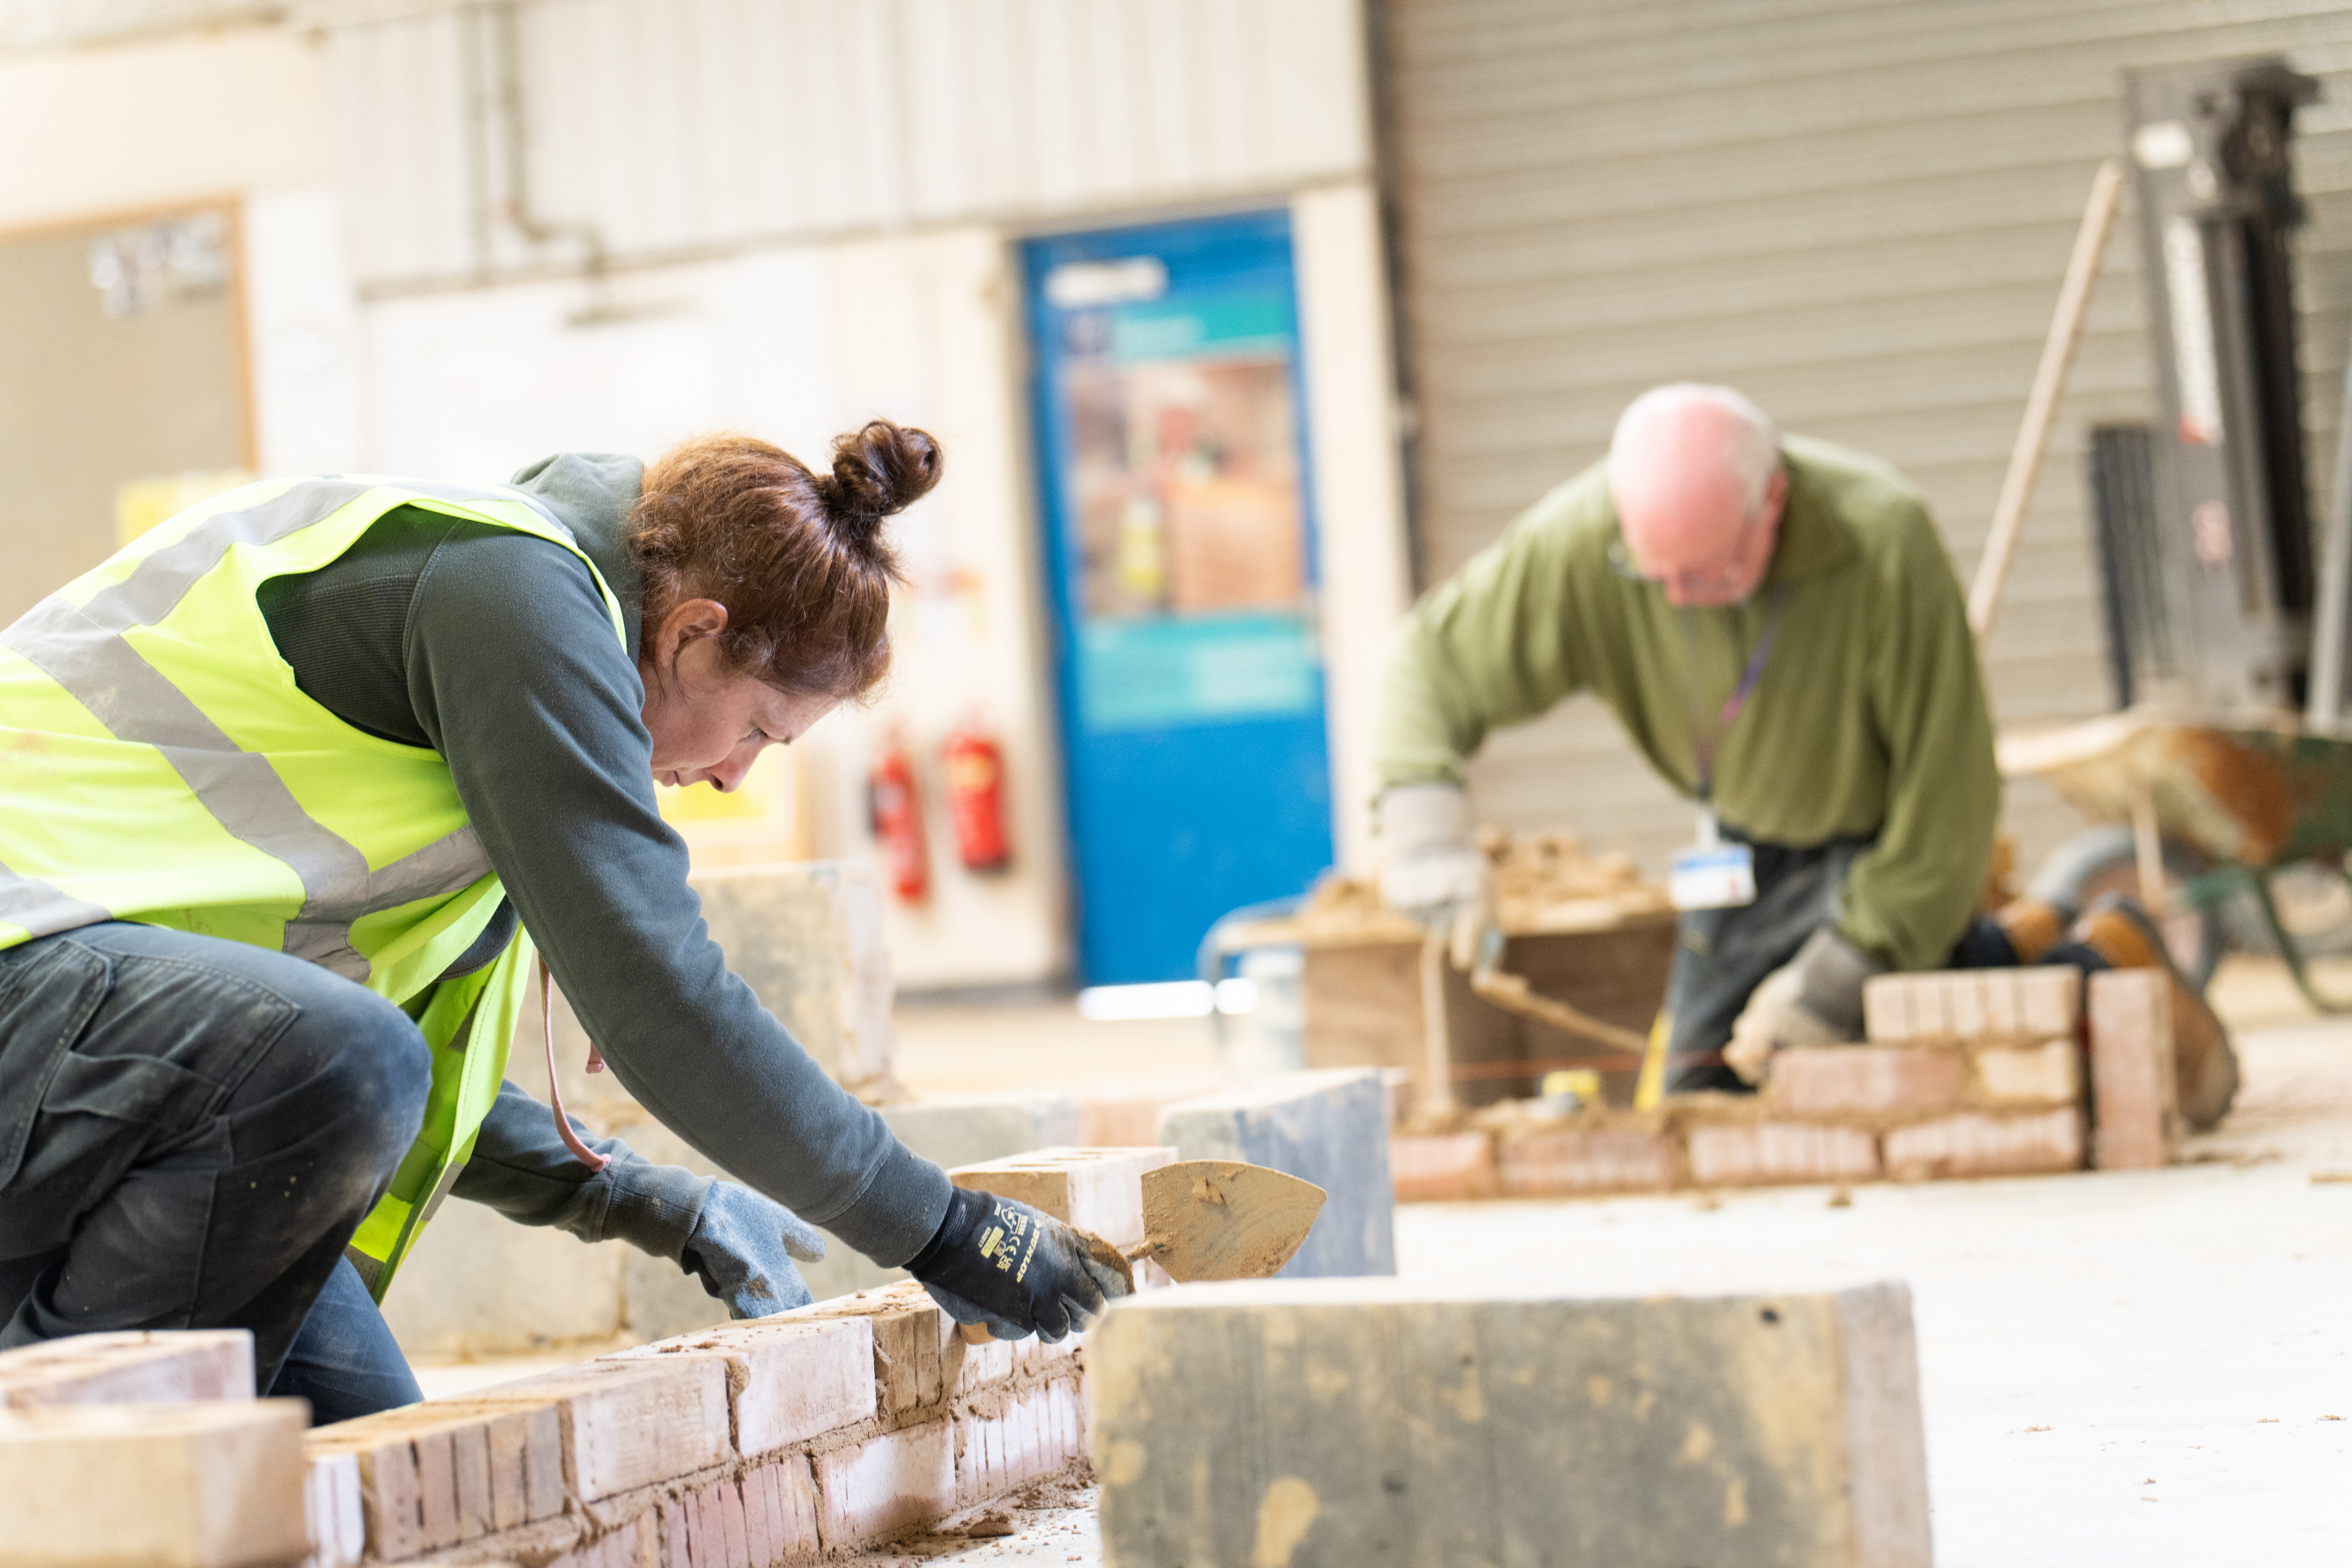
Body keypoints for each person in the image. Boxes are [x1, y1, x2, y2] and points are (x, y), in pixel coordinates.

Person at [0, 422, 1125, 1422]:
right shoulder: (508, 594)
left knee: (382, 1475)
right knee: (338, 1063)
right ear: (691, 633)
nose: (735, 777)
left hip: (89, 1073)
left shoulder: (486, 726)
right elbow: (657, 997)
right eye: (760, 732)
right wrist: (940, 1226)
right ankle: (49, 1486)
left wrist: (646, 1196)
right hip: (31, 1009)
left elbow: (310, 1088)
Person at [1372, 383, 2236, 1122]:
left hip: (1886, 853)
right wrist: (1423, 836)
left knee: (1903, 1043)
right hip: (1743, 854)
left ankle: (2097, 963)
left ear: (1772, 504)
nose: (1677, 599)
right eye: (1654, 575)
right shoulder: (1589, 536)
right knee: (1702, 1099)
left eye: (1704, 576)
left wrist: (1837, 978)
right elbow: (1430, 662)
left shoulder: (1882, 538)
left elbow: (1950, 805)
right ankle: (2012, 939)